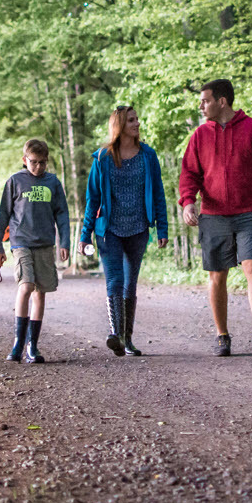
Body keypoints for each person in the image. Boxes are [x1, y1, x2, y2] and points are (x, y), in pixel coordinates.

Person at [178, 78, 252, 357]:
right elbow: (189, 174)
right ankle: (222, 336)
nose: (201, 106)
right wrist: (188, 203)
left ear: (222, 101)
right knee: (217, 276)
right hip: (213, 216)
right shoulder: (200, 136)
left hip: (249, 213)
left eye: (205, 101)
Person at [77, 106, 169, 357]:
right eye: (131, 120)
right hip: (109, 231)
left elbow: (158, 193)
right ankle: (115, 334)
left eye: (136, 119)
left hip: (139, 229)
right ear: (119, 125)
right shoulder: (102, 158)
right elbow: (92, 200)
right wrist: (84, 236)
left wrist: (162, 227)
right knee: (115, 280)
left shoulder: (148, 155)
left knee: (130, 284)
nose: (137, 123)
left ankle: (127, 340)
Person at [0, 139, 70, 364]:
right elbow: (2, 215)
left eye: (43, 163)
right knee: (26, 285)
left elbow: (62, 214)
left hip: (45, 243)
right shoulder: (15, 181)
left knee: (40, 292)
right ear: (24, 159)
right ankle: (18, 342)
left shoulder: (53, 182)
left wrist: (64, 241)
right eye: (34, 162)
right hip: (21, 242)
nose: (38, 167)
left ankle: (33, 346)